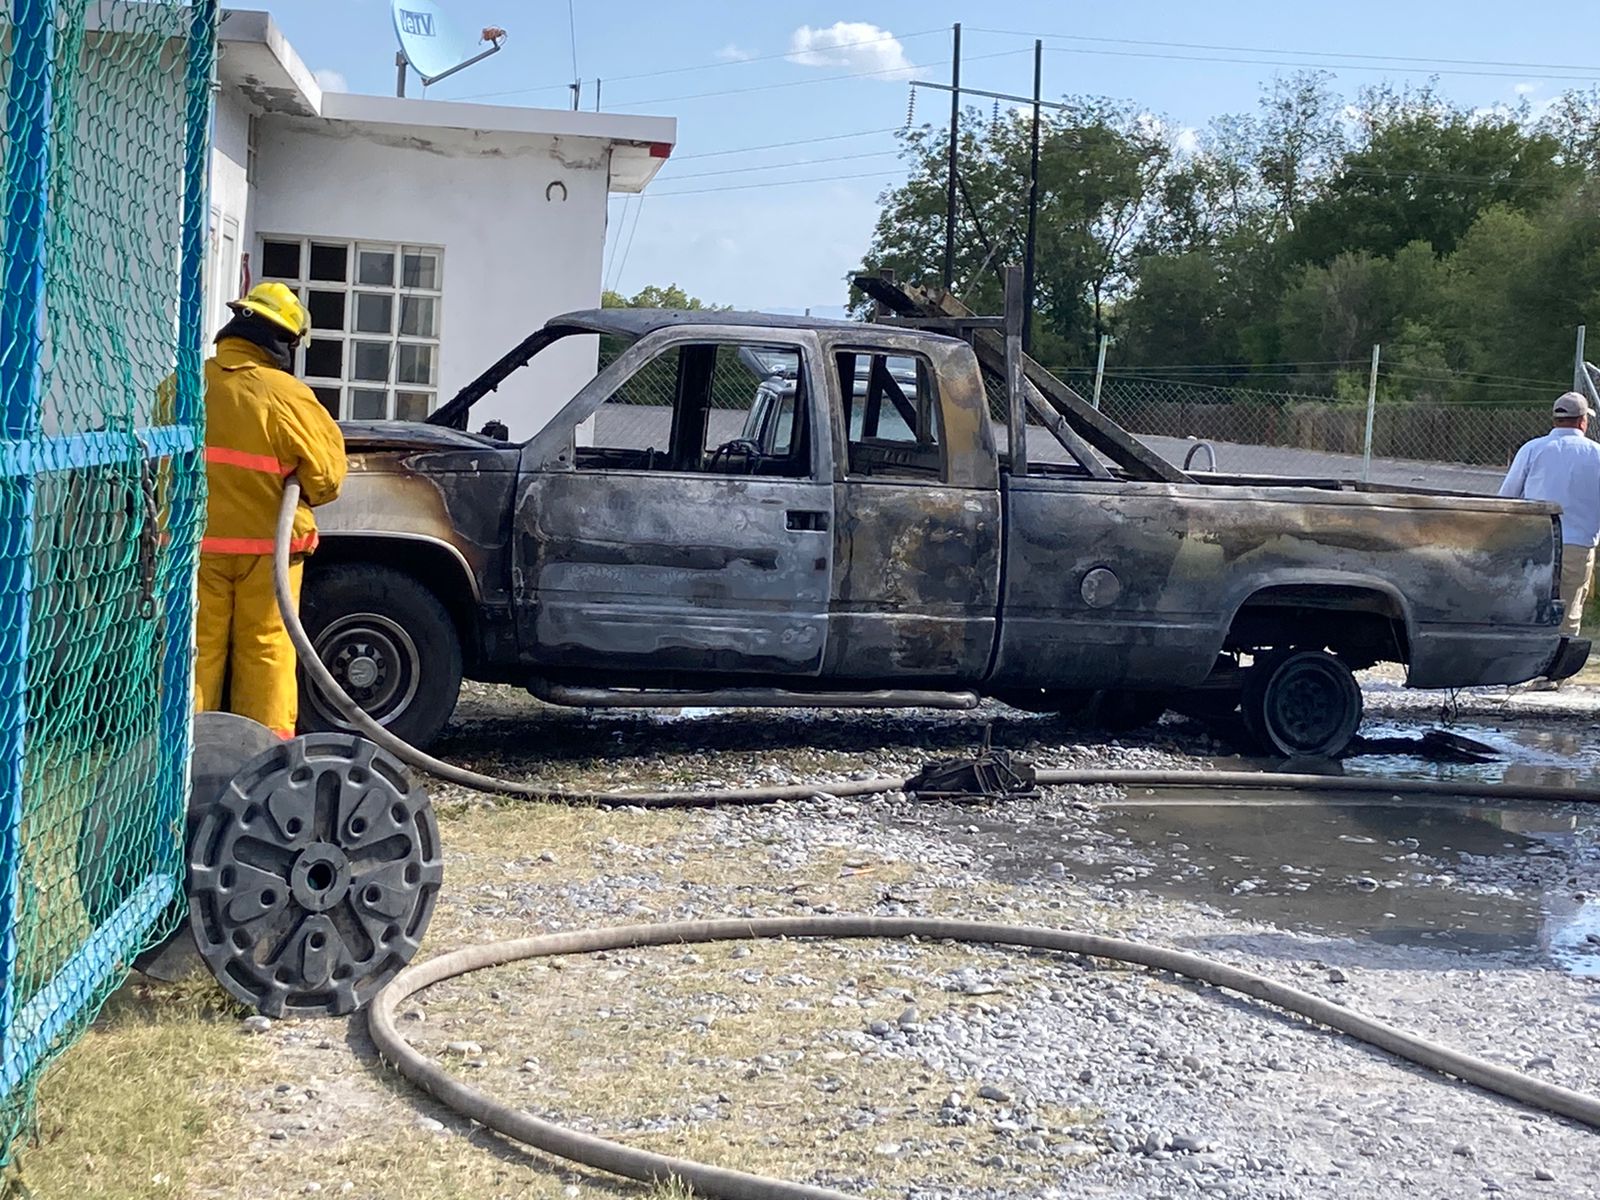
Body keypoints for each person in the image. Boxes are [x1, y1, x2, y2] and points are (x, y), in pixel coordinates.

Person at [195, 282, 347, 738]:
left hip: (195, 546)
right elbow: (326, 479)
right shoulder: (285, 394)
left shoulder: (185, 383)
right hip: (268, 550)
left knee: (194, 653)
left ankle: (182, 760)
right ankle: (262, 760)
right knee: (266, 652)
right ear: (283, 341)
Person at [1499, 391, 1600, 644]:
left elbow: (1507, 497)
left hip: (1535, 540)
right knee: (1569, 609)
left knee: (1530, 604)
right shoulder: (1597, 453)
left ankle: (1525, 663)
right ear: (1583, 422)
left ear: (1555, 420)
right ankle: (1556, 670)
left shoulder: (1532, 449)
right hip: (1578, 543)